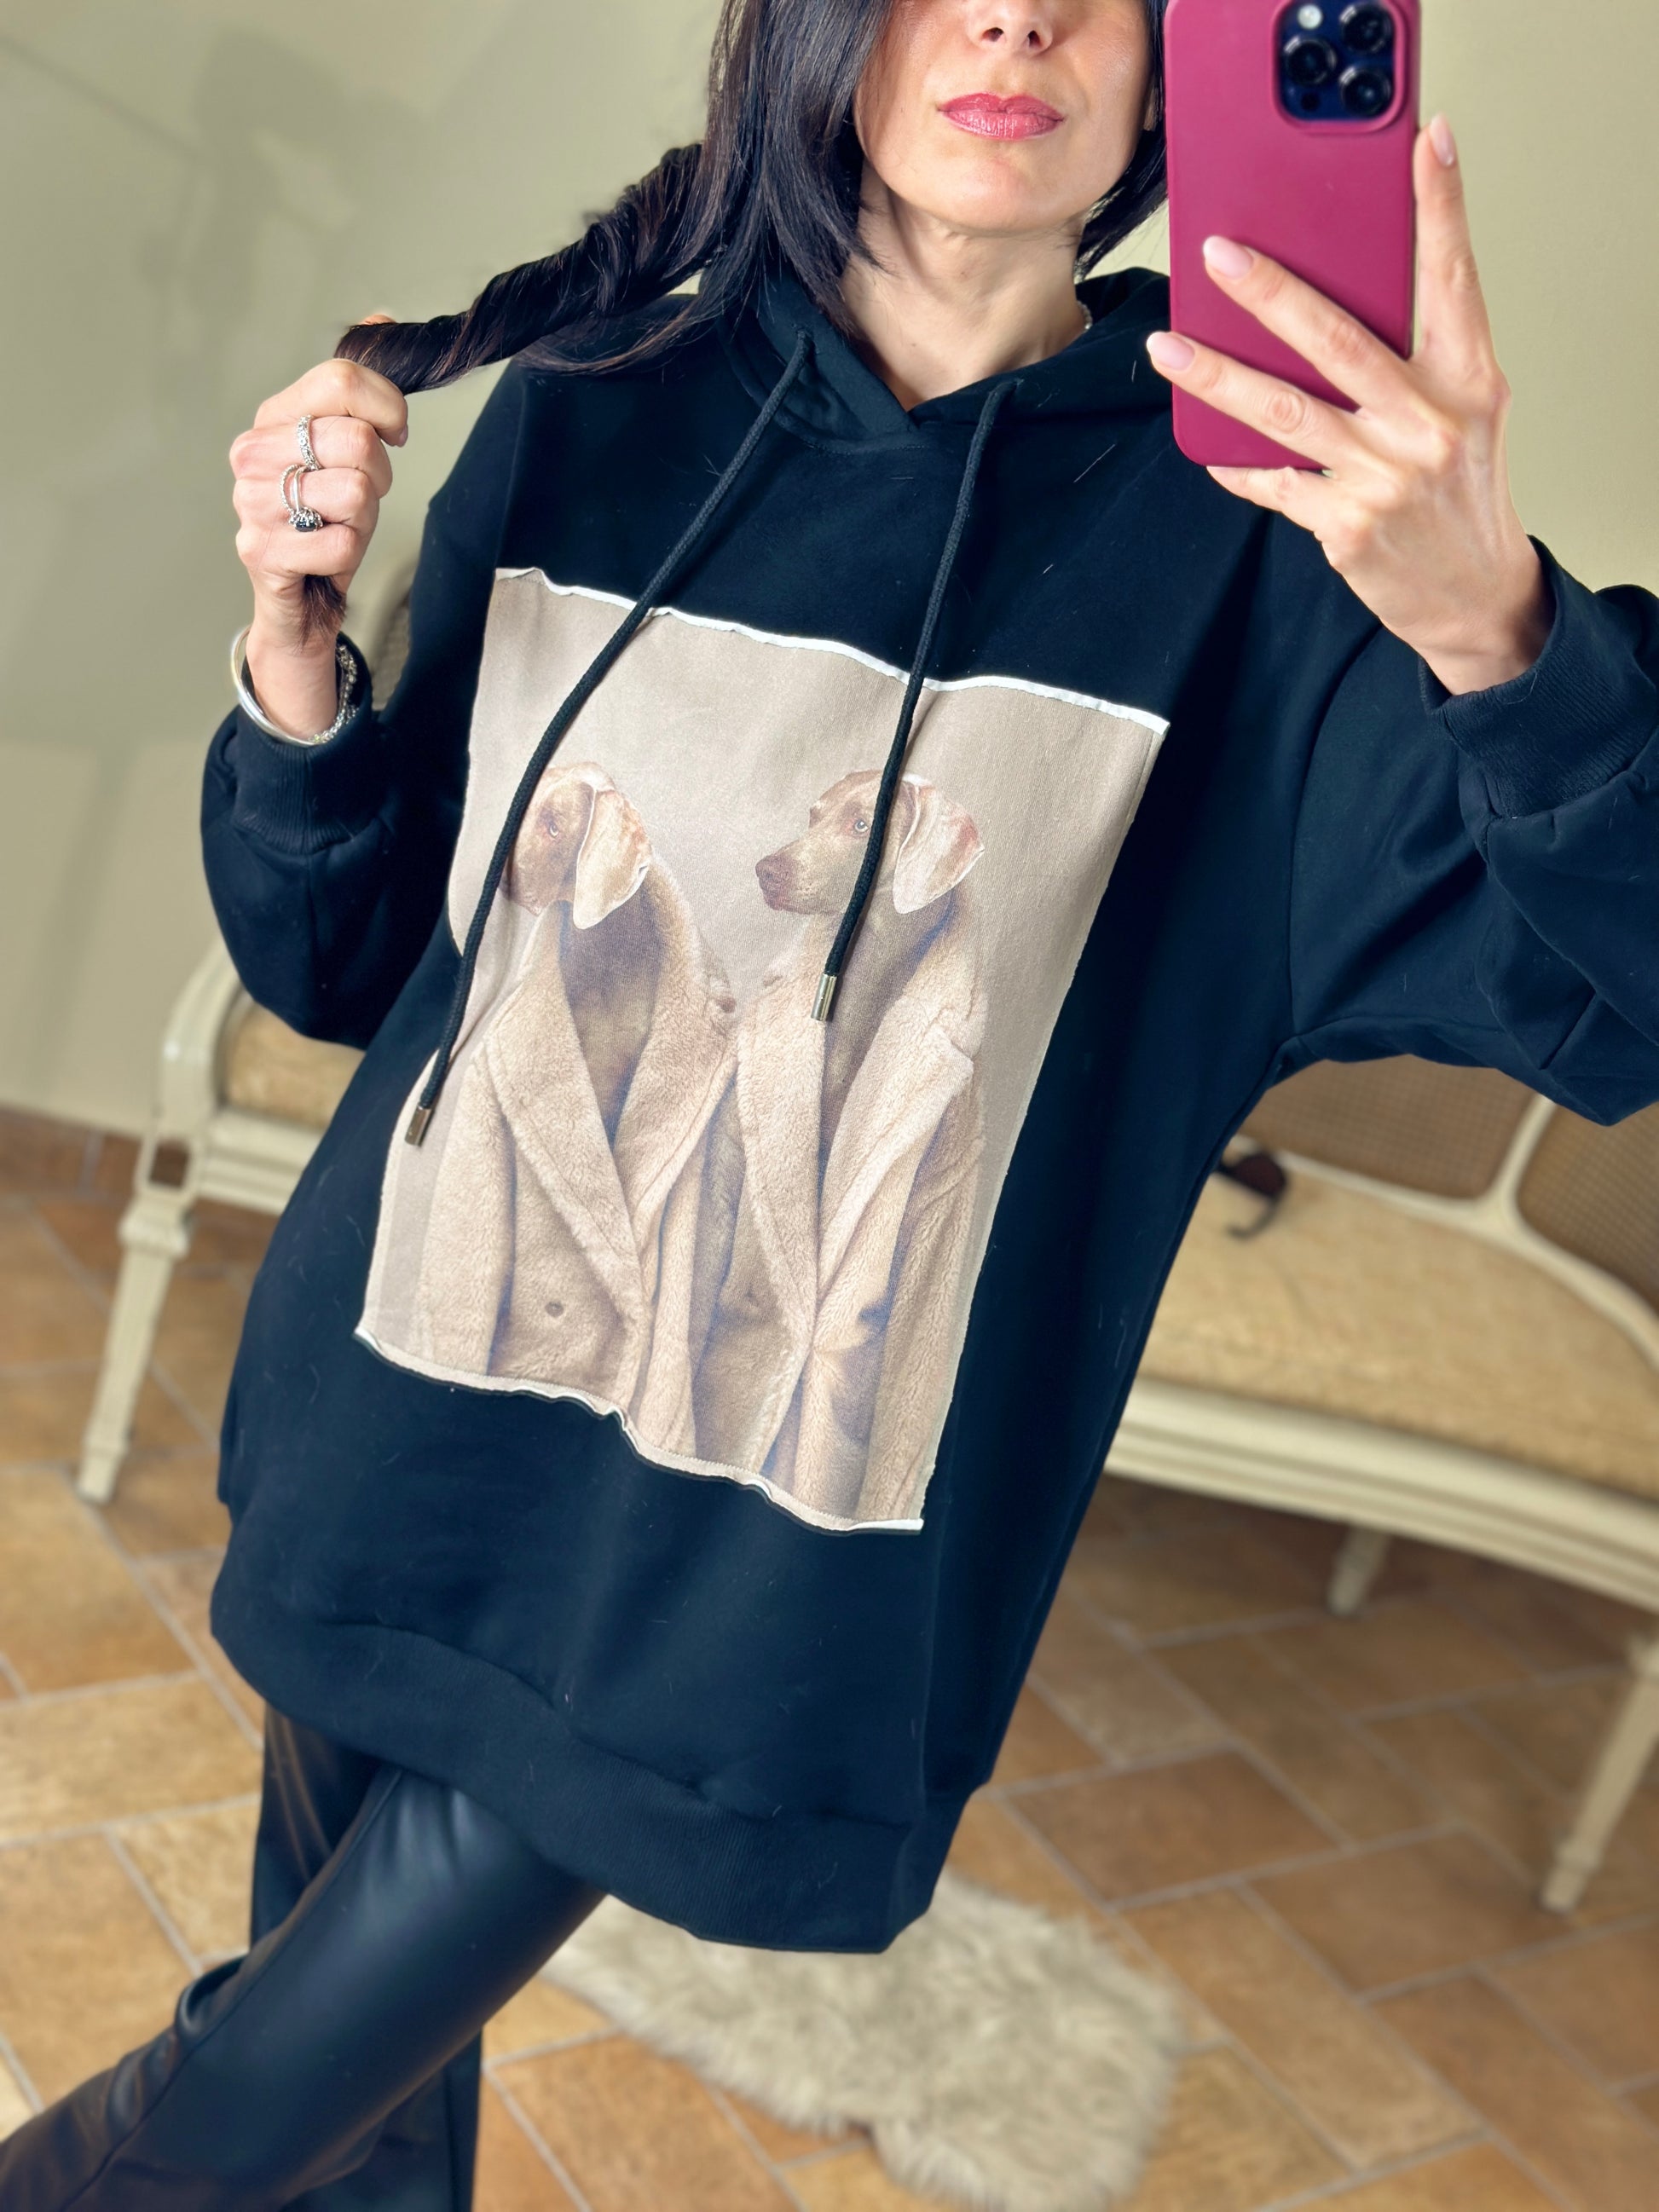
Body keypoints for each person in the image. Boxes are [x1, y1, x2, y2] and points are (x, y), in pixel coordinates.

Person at [8, 0, 1658, 2204]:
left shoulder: (1271, 564)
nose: (1015, 14)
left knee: (197, 2146)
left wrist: (1496, 636)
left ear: (1172, 65)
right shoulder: (599, 403)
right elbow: (347, 965)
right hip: (391, 1419)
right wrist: (294, 668)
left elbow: (1621, 994)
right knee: (351, 2145)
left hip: (726, 1581)